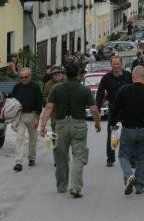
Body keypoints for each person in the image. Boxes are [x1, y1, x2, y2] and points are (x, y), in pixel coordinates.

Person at [40, 61, 101, 197]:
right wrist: (97, 123)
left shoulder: (56, 89)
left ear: (65, 73)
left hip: (61, 125)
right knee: (79, 156)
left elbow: (49, 107)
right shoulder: (84, 89)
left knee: (61, 156)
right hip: (78, 124)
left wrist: (43, 125)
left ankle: (61, 186)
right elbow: (94, 110)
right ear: (78, 72)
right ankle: (75, 186)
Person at [110, 65, 144, 196]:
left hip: (127, 129)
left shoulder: (124, 90)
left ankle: (129, 175)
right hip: (143, 129)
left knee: (123, 155)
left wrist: (113, 124)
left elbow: (114, 109)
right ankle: (139, 186)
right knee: (141, 158)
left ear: (133, 76)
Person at [96, 55, 132, 166]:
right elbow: (100, 94)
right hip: (113, 109)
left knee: (129, 134)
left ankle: (131, 158)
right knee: (112, 133)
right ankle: (110, 158)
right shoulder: (106, 78)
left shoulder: (128, 76)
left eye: (118, 64)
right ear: (111, 65)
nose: (116, 66)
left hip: (127, 109)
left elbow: (135, 89)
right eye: (114, 64)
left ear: (121, 64)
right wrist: (97, 108)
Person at [11, 67, 42, 172]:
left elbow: (39, 102)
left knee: (33, 139)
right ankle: (18, 162)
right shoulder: (17, 87)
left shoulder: (36, 87)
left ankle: (32, 158)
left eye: (26, 77)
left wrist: (37, 117)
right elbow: (13, 101)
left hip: (32, 115)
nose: (24, 79)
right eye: (21, 77)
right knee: (20, 138)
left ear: (30, 76)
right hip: (20, 116)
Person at [42, 66, 66, 137]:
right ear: (52, 75)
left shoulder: (67, 82)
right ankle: (56, 144)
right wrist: (51, 101)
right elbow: (44, 96)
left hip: (67, 111)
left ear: (62, 73)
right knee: (55, 129)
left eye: (59, 73)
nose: (57, 75)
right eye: (55, 73)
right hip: (54, 111)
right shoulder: (48, 84)